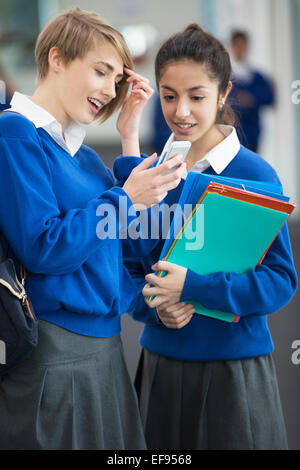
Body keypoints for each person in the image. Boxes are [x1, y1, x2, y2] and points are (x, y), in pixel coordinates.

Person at [0, 8, 185, 450]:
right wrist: (124, 197)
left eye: (116, 81)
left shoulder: (85, 160)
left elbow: (132, 251)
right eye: (100, 72)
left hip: (107, 353)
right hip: (54, 355)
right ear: (58, 58)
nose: (108, 90)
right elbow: (44, 247)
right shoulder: (13, 132)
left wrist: (128, 139)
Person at [123, 24, 298, 450]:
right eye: (169, 95)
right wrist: (153, 309)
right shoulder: (151, 175)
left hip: (234, 371)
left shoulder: (255, 175)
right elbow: (127, 268)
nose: (181, 111)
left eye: (197, 96)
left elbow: (279, 282)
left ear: (222, 95)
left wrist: (194, 287)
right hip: (161, 365)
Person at [229, 30, 275, 153]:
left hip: (253, 135)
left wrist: (252, 98)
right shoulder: (225, 76)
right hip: (232, 136)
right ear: (232, 47)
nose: (240, 49)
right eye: (237, 45)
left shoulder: (256, 76)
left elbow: (270, 97)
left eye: (242, 45)